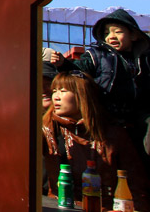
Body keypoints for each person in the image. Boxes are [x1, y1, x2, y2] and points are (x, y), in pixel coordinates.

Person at [42, 71, 149, 210]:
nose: (56, 97)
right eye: (54, 91)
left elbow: (136, 184)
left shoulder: (114, 135)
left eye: (63, 91)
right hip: (59, 207)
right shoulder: (46, 130)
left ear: (83, 95)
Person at [66, 8, 150, 160]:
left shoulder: (144, 59)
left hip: (137, 119)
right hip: (105, 117)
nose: (111, 36)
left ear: (134, 35)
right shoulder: (97, 55)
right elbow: (77, 72)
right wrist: (63, 65)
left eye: (117, 32)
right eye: (106, 33)